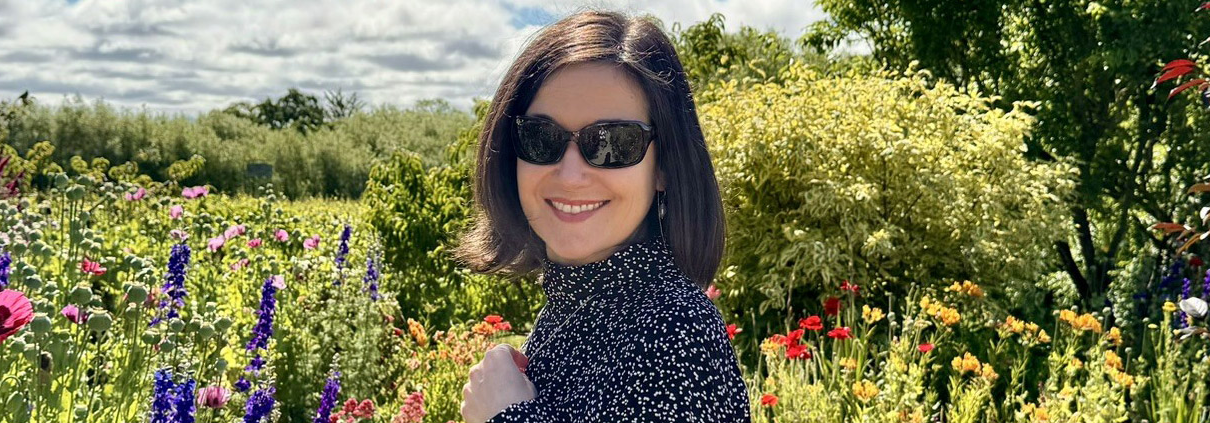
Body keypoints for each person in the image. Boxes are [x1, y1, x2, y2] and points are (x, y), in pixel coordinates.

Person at [450, 9, 750, 423]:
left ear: (664, 166)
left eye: (612, 143)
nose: (571, 175)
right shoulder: (577, 308)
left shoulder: (675, 333)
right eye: (541, 138)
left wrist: (506, 416)